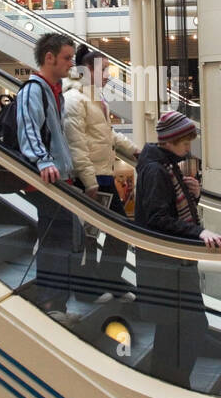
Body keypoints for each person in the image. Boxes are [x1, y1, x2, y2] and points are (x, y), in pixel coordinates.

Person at [134, 111, 221, 387]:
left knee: (172, 331)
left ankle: (170, 384)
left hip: (169, 267)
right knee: (189, 327)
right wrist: (198, 231)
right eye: (184, 142)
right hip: (166, 268)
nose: (188, 148)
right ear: (170, 141)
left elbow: (165, 211)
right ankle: (173, 383)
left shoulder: (164, 165)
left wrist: (193, 195)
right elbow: (157, 219)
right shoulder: (156, 170)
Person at [63, 45, 138, 301]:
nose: (108, 75)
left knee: (116, 230)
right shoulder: (75, 100)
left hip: (104, 175)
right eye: (103, 69)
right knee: (90, 235)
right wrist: (89, 181)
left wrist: (133, 149)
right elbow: (76, 145)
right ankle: (88, 290)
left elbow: (106, 134)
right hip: (91, 179)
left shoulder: (96, 99)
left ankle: (108, 280)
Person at [16, 33, 80, 327]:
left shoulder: (55, 91)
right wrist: (43, 161)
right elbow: (28, 129)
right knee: (56, 239)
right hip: (46, 178)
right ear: (49, 57)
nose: (71, 64)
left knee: (63, 238)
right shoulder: (34, 89)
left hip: (59, 177)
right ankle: (50, 302)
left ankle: (57, 302)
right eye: (67, 58)